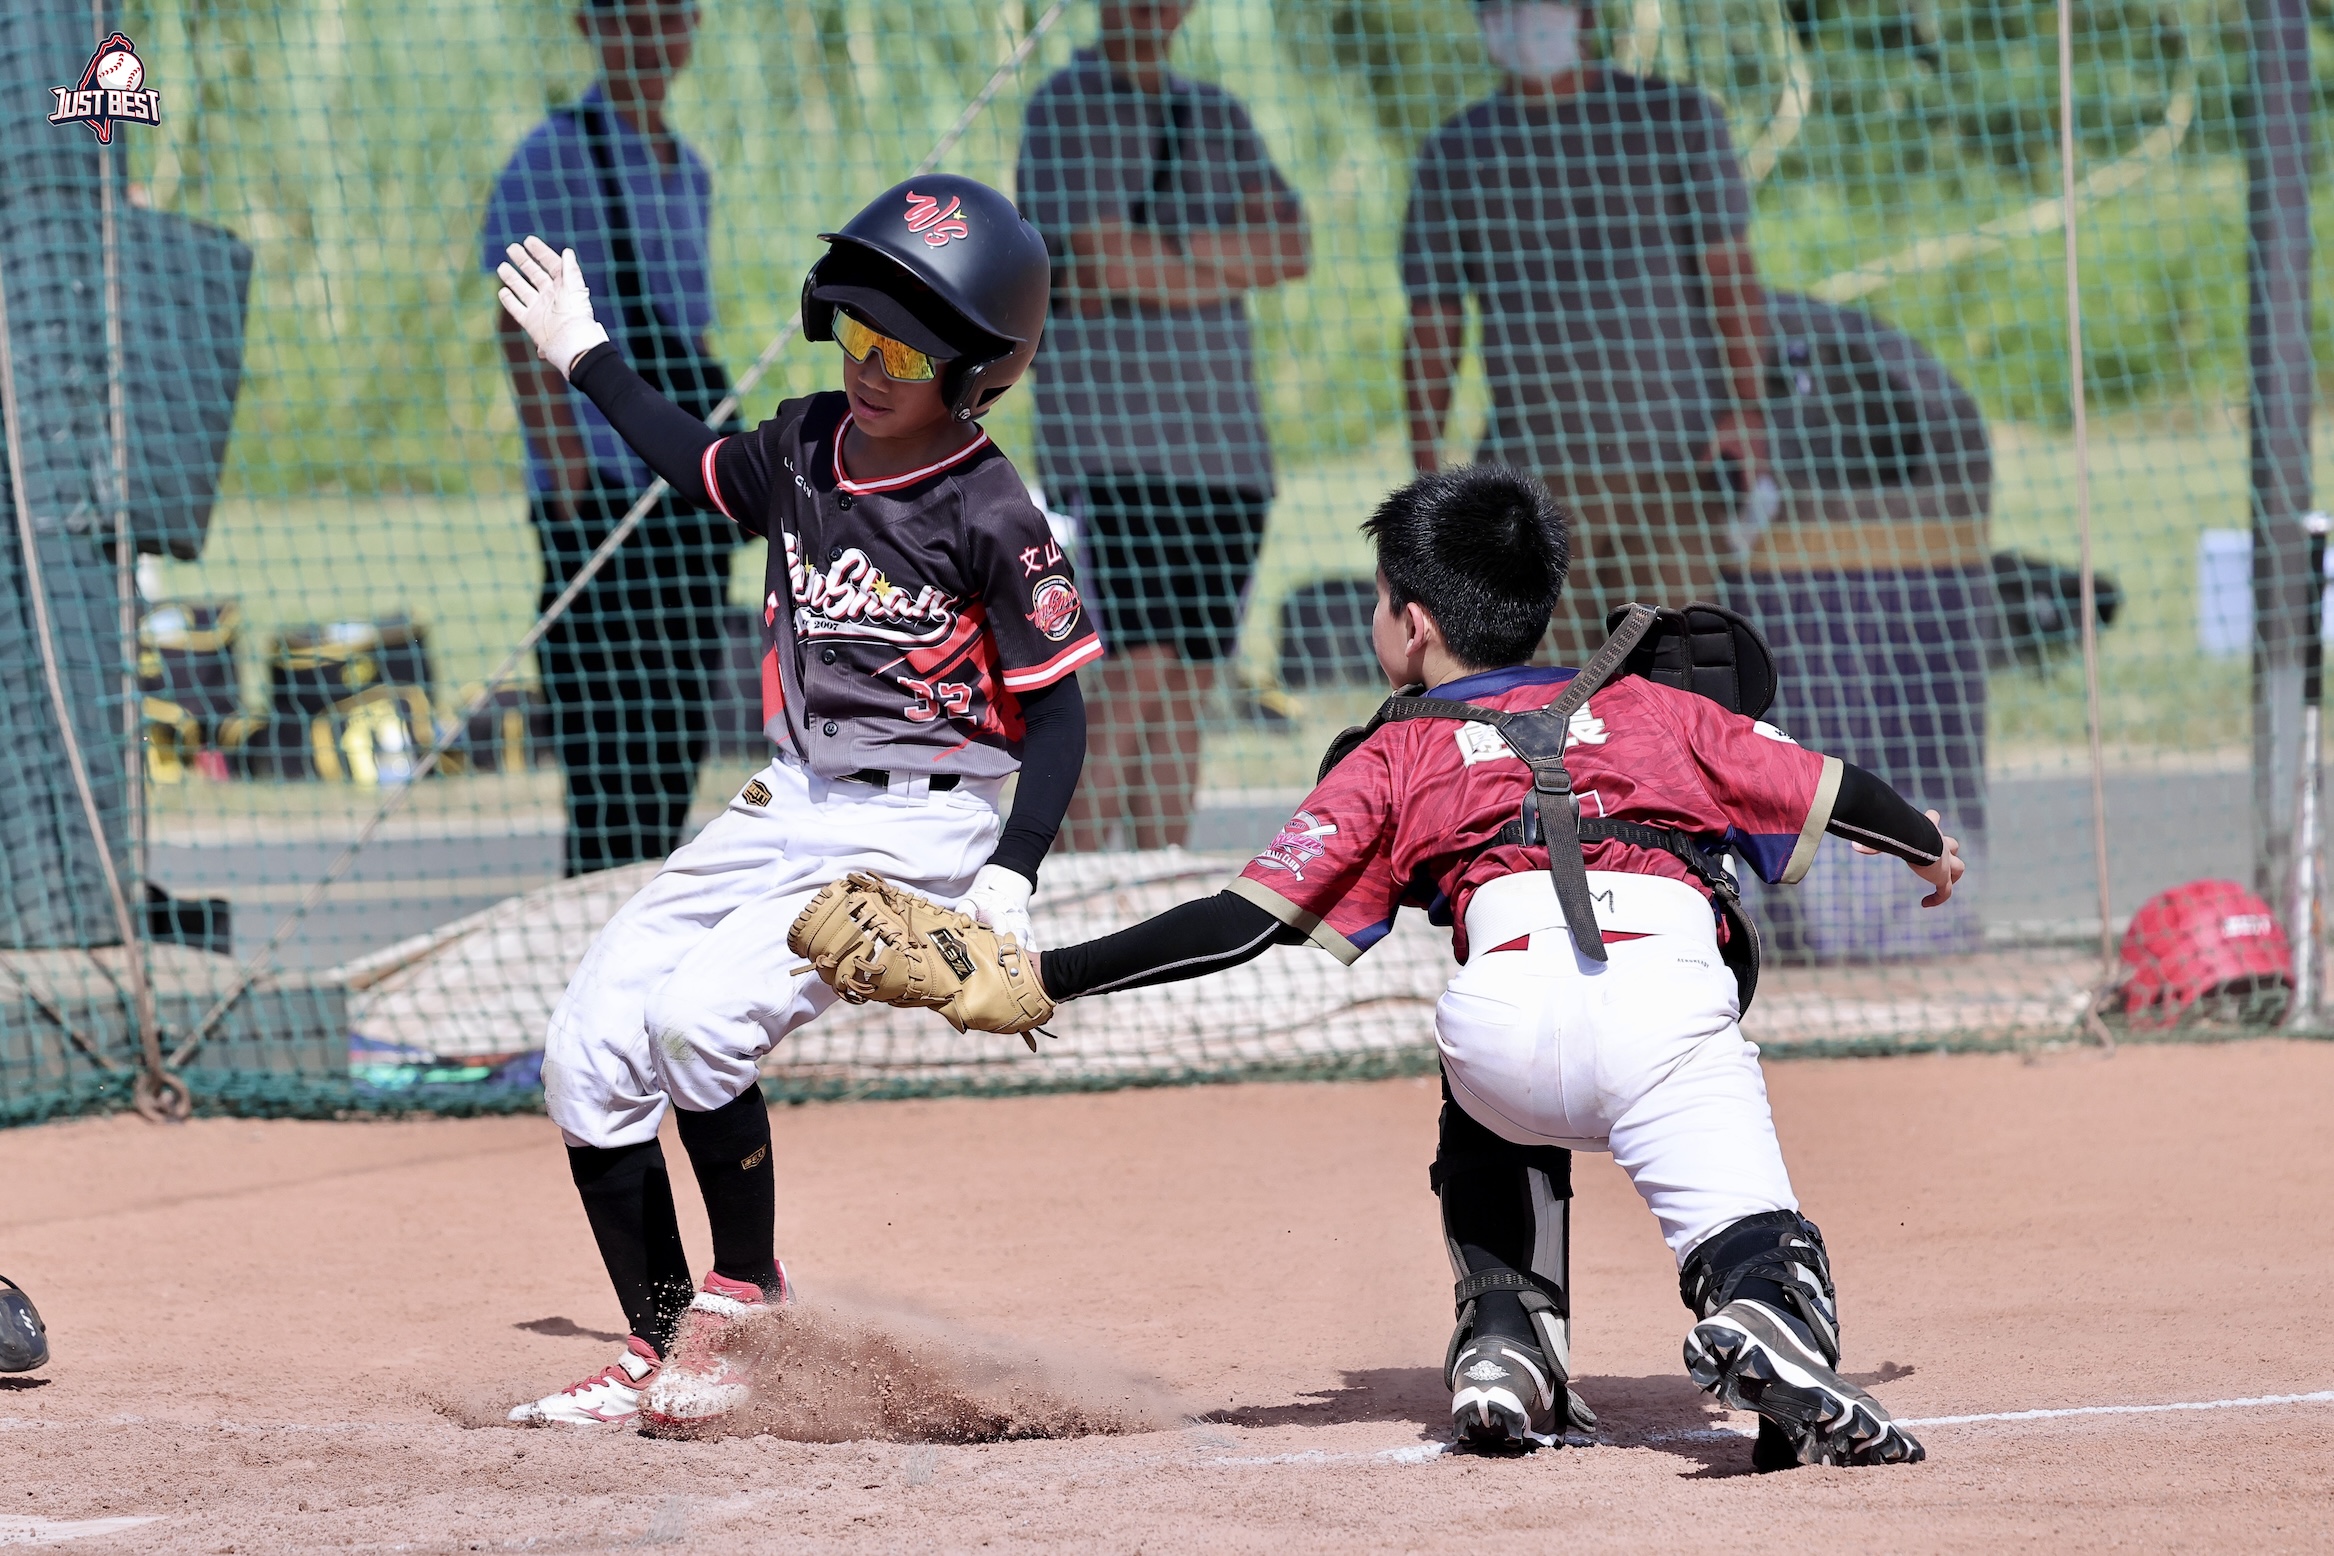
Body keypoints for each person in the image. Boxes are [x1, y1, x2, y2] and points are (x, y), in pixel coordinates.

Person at [855, 467, 1956, 1465]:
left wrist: (1048, 974)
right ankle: (1762, 1310)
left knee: (1486, 1092)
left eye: (1380, 602)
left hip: (1503, 1025)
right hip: (1670, 1008)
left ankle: (1507, 1346)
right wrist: (1930, 847)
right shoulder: (1660, 710)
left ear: (1414, 625)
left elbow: (1242, 921)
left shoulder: (1398, 747)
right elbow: (1844, 789)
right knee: (1754, 1226)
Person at [491, 173, 1097, 1430]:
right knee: (591, 1052)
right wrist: (582, 354)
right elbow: (692, 461)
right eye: (860, 330)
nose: (874, 366)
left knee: (703, 1024)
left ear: (976, 368)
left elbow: (1058, 711)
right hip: (793, 797)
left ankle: (749, 1287)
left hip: (926, 823)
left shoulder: (993, 509)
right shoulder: (803, 444)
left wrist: (1010, 872)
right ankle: (666, 1349)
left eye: (910, 350)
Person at [1017, 0, 1309, 851]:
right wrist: (1224, 258)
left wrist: (1168, 261)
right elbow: (1102, 257)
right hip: (1115, 453)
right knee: (1132, 673)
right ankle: (1055, 894)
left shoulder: (1216, 111)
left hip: (1226, 457)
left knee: (1188, 683)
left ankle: (1154, 892)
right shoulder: (1065, 108)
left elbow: (1292, 244)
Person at [1401, 0, 1771, 662]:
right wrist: (1428, 469)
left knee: (1675, 687)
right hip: (1530, 486)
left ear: (1587, 14)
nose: (1521, 18)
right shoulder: (1454, 151)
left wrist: (1747, 407)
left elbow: (1731, 271)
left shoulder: (1675, 118)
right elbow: (1433, 318)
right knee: (1545, 701)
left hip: (1677, 466)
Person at [481, 0, 735, 875]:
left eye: (672, 18)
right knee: (605, 755)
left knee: (672, 744)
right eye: (631, 20)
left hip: (679, 499)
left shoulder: (688, 172)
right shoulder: (551, 159)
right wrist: (570, 476)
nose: (653, 39)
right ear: (592, 27)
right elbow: (518, 327)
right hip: (600, 508)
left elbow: (686, 332)